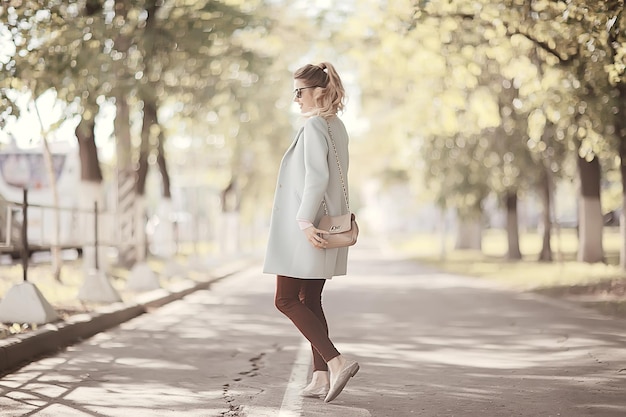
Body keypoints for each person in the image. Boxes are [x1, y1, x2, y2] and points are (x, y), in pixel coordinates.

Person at [263, 62, 359, 403]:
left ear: (318, 91)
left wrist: (304, 221)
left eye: (299, 92)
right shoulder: (338, 126)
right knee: (310, 299)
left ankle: (336, 360)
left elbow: (317, 178)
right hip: (327, 224)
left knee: (285, 299)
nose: (296, 99)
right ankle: (320, 377)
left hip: (309, 228)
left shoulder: (315, 126)